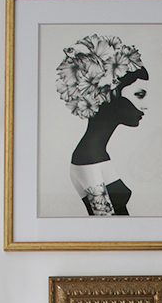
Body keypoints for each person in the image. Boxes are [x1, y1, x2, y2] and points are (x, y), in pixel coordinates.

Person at [56, 34, 149, 215]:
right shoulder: (87, 157)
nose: (146, 105)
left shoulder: (96, 152)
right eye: (139, 95)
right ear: (108, 94)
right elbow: (105, 224)